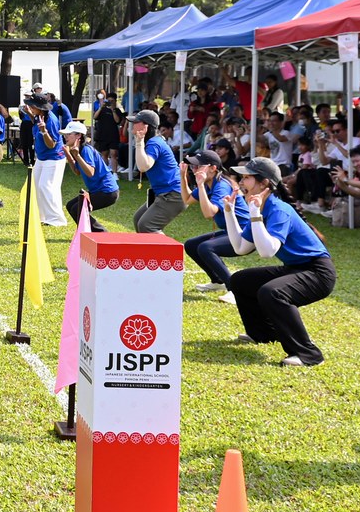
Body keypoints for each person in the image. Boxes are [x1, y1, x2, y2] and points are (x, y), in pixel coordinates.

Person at [220, 157, 335, 367]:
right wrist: (229, 212)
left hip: (318, 273)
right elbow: (240, 248)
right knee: (239, 280)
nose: (241, 182)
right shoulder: (261, 208)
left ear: (264, 183)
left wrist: (254, 214)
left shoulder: (278, 209)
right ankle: (262, 334)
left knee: (272, 292)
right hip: (296, 268)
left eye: (247, 177)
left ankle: (309, 355)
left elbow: (267, 251)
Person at [182, 152, 241, 295]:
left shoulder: (221, 186)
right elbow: (187, 199)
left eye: (198, 166)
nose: (194, 169)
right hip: (230, 231)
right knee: (191, 245)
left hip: (244, 233)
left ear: (213, 168)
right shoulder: (209, 184)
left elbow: (209, 213)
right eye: (193, 166)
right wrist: (183, 176)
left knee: (205, 248)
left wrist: (200, 185)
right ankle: (218, 281)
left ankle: (235, 290)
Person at [129, 108, 186, 234]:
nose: (132, 124)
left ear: (146, 127)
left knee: (146, 225)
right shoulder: (153, 141)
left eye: (136, 122)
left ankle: (171, 248)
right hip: (165, 192)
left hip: (174, 194)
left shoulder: (154, 143)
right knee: (138, 219)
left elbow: (144, 166)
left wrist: (139, 142)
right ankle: (150, 248)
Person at [62, 120, 119, 228]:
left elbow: (90, 172)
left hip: (107, 192)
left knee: (77, 209)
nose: (65, 136)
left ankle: (100, 233)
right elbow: (77, 171)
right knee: (70, 206)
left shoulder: (86, 150)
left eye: (69, 134)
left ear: (79, 135)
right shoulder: (78, 150)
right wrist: (68, 155)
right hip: (98, 191)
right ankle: (89, 232)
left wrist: (77, 156)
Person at [27, 94, 68, 227]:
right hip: (42, 158)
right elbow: (37, 125)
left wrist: (44, 131)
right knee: (36, 185)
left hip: (54, 158)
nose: (30, 108)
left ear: (39, 107)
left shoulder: (52, 121)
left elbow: (51, 144)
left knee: (46, 186)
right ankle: (41, 216)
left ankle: (57, 219)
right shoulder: (39, 116)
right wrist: (30, 114)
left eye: (32, 106)